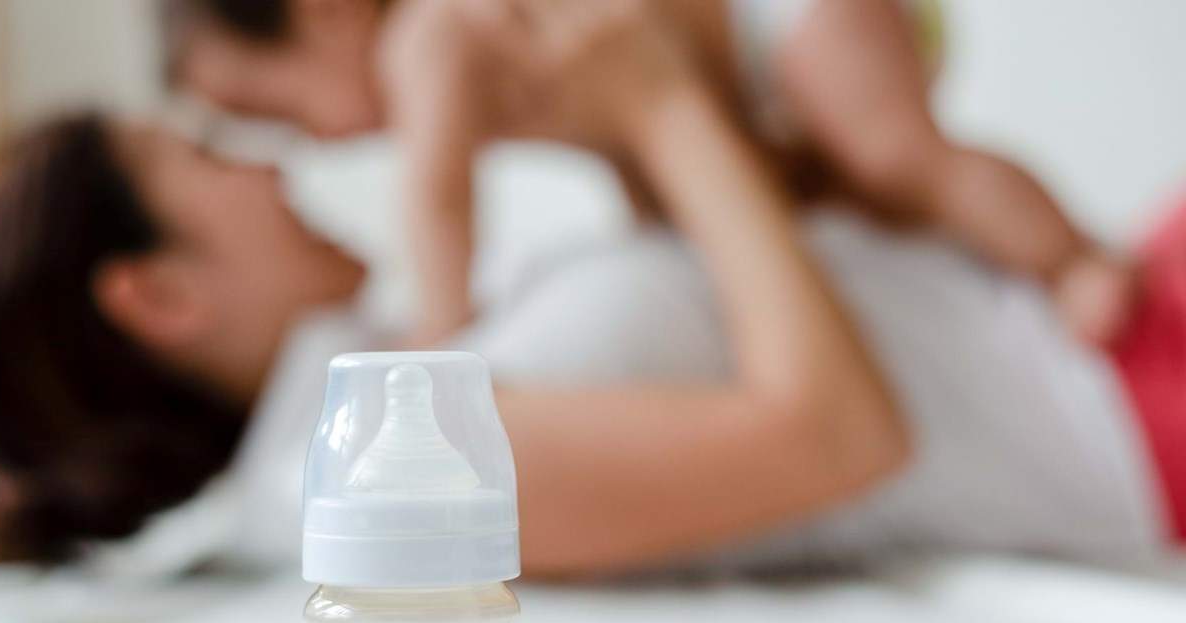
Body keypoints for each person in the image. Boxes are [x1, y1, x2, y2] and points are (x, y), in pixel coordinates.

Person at [0, 3, 1171, 575]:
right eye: (210, 157)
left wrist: (631, 117)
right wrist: (659, 106)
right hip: (1124, 407)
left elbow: (750, 280)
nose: (270, 162)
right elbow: (842, 435)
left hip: (1099, 326)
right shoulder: (377, 478)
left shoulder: (393, 374)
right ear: (161, 296)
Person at [160, 0, 1134, 346]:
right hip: (734, 81)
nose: (307, 145)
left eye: (280, 112)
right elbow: (621, 136)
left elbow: (439, 198)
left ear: (326, 11)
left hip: (776, 18)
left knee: (897, 156)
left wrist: (442, 332)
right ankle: (1003, 278)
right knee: (844, 195)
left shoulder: (426, 34)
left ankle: (1073, 258)